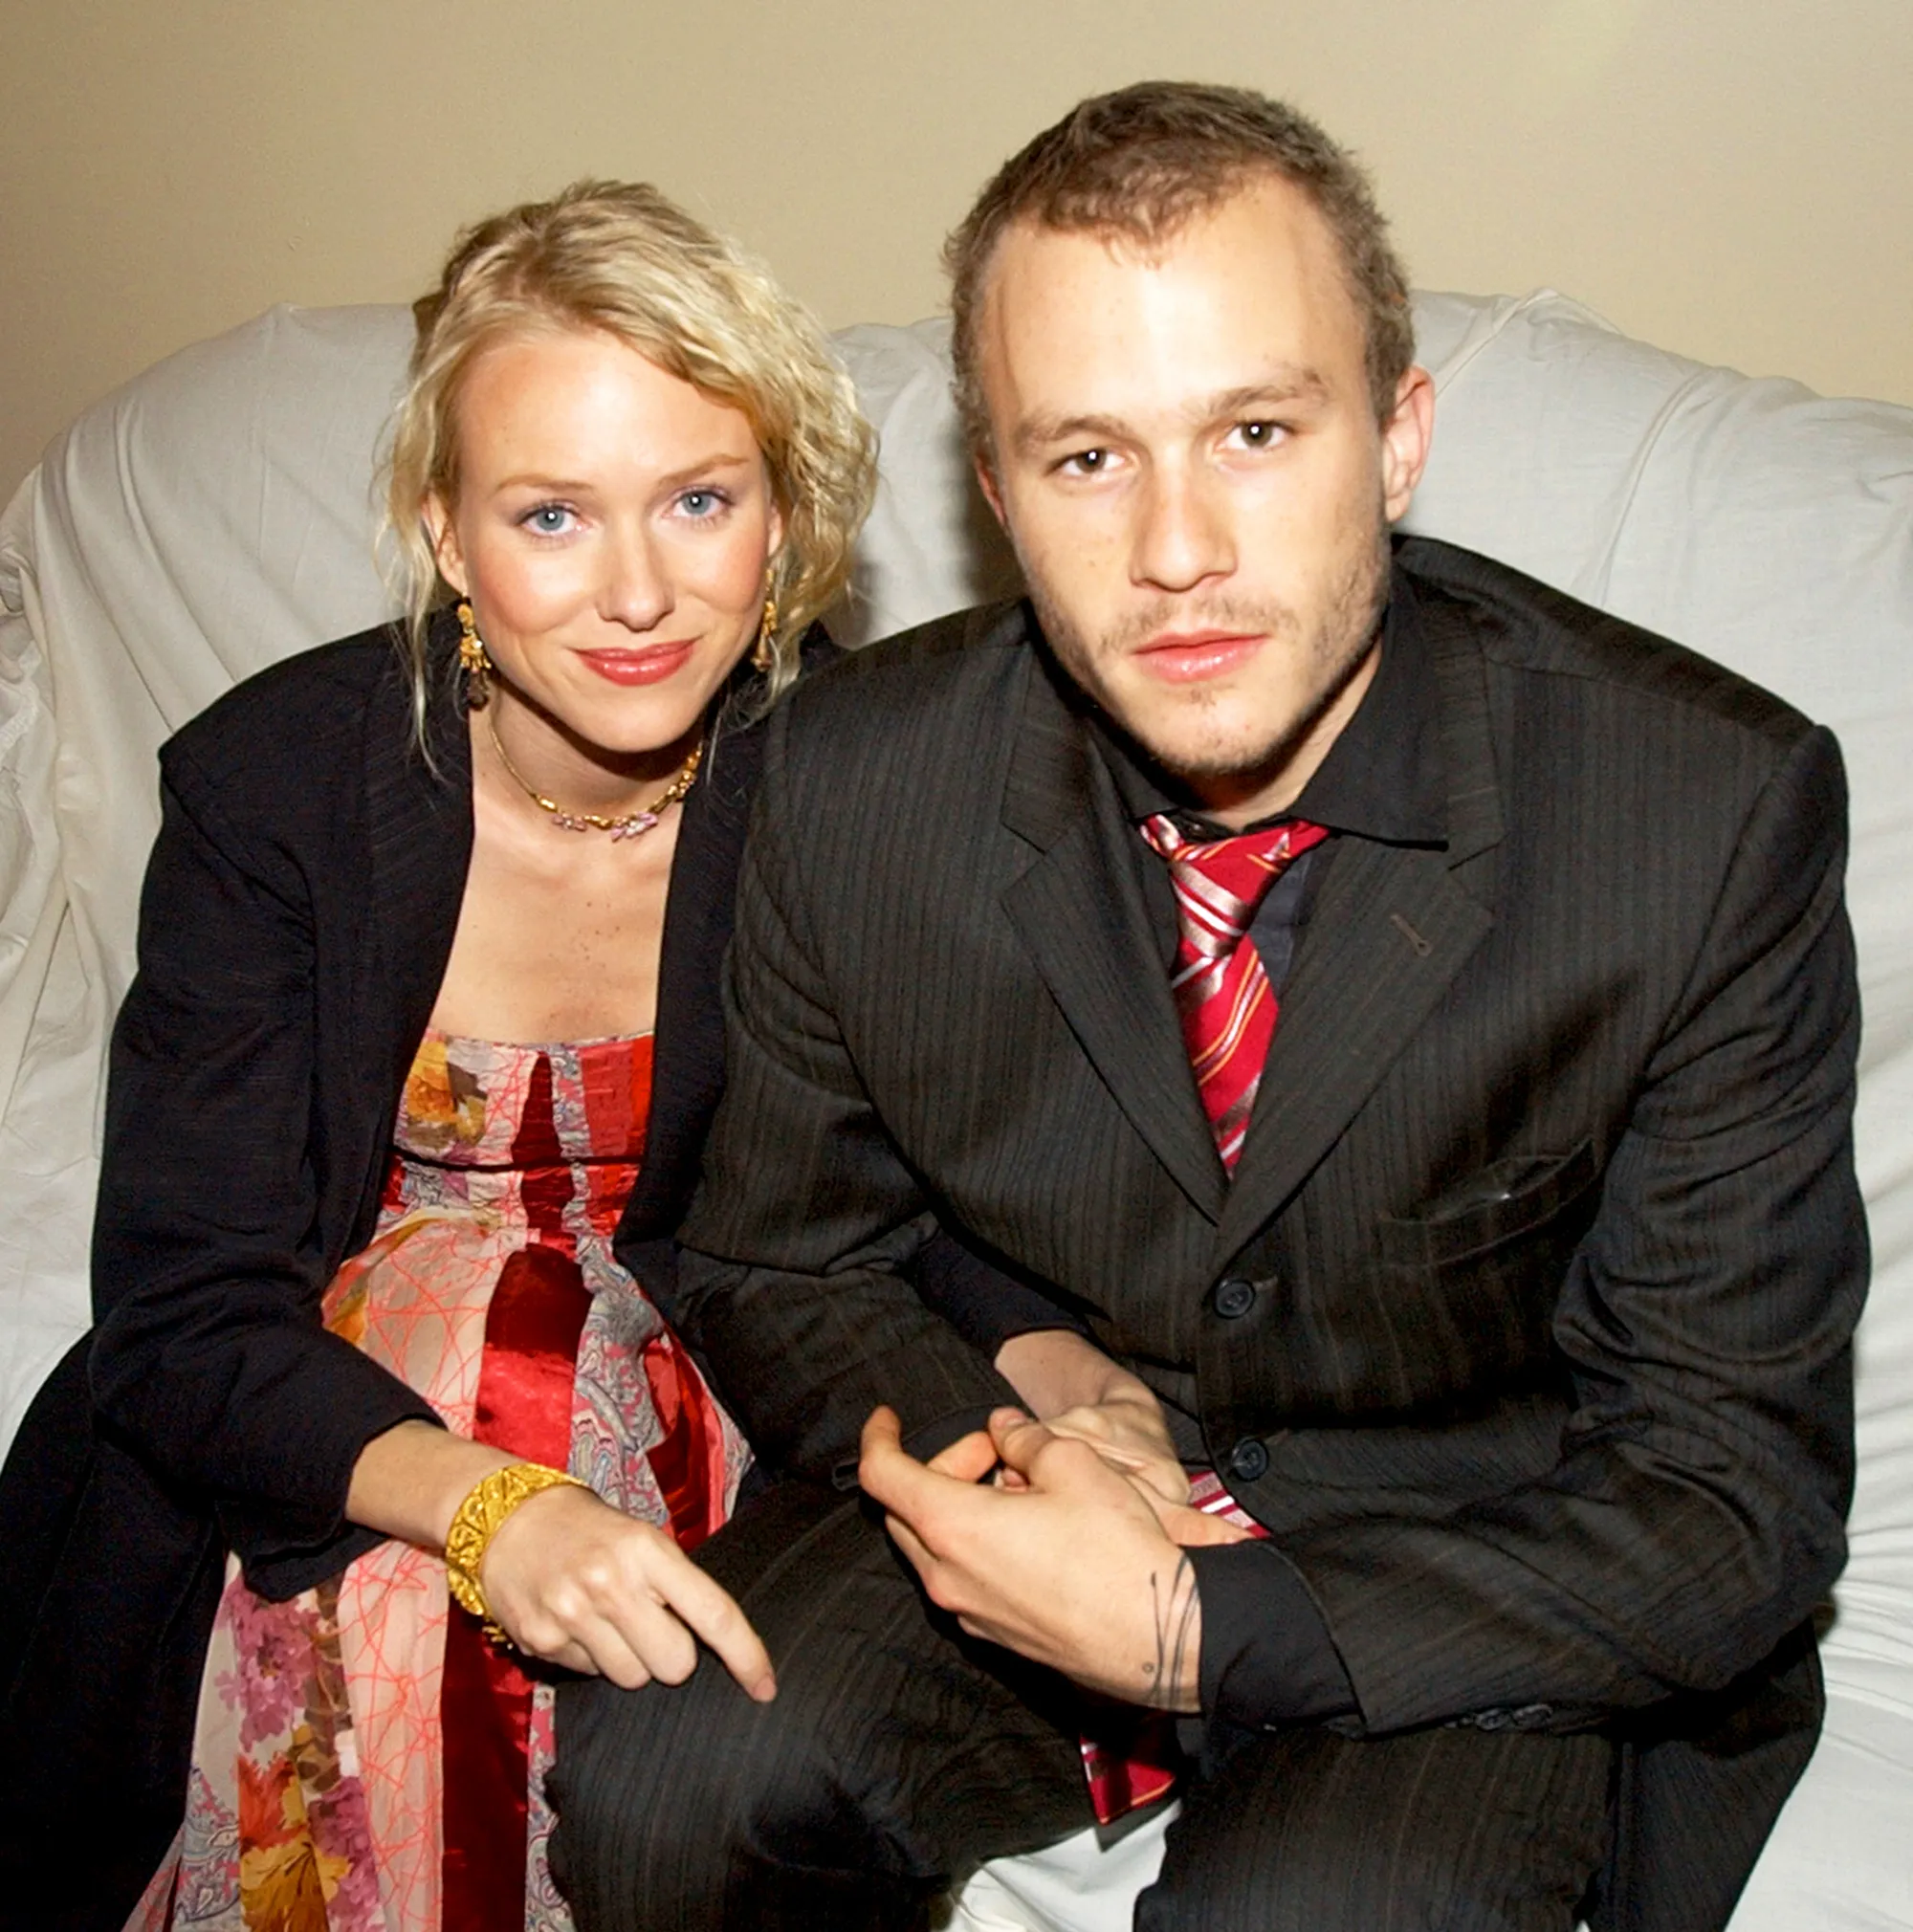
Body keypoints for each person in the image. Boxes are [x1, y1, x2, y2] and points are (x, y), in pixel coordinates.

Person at [548, 83, 1868, 1932]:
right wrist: (1029, 1423)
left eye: (1255, 429)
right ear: (996, 490)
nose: (1177, 549)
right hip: (1029, 1484)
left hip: (1465, 1560)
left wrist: (1192, 1622)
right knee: (668, 1774)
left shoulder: (1702, 813)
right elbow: (778, 1258)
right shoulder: (853, 775)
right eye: (1087, 457)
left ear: (1400, 438)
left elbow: (1731, 1497)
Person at [0, 180, 876, 1931]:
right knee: (397, 1642)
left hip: (704, 1355)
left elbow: (918, 1213)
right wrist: (494, 1521)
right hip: (325, 1390)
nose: (638, 592)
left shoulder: (855, 782)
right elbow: (182, 1315)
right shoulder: (276, 792)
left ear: (781, 523)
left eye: (699, 499)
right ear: (445, 531)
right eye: (552, 514)